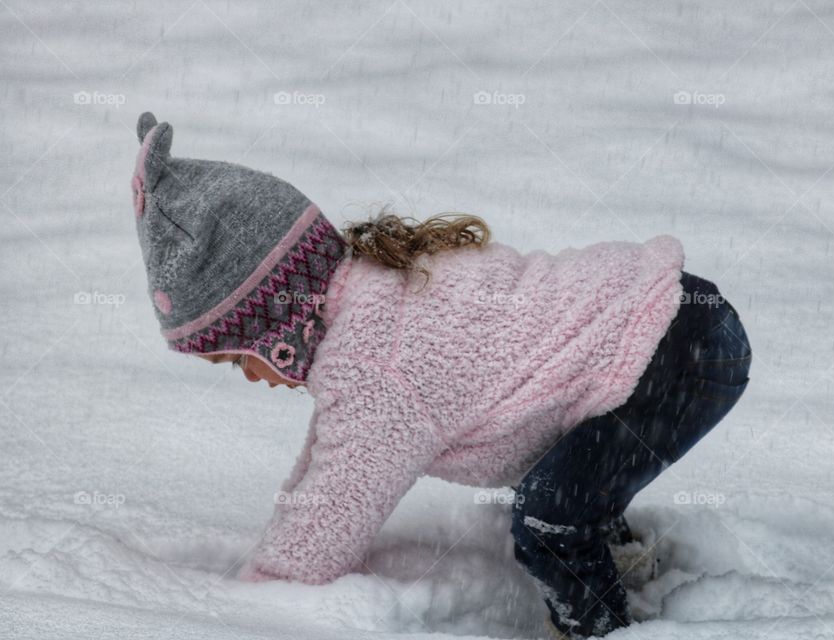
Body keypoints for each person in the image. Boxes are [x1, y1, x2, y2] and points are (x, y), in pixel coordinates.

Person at [129, 111, 751, 639]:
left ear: (273, 322)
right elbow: (326, 465)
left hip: (675, 353)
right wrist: (270, 555)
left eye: (236, 357)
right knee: (569, 482)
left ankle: (605, 628)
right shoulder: (369, 302)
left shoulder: (375, 366)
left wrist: (265, 598)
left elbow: (335, 511)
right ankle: (620, 557)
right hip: (675, 324)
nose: (249, 376)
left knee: (551, 519)